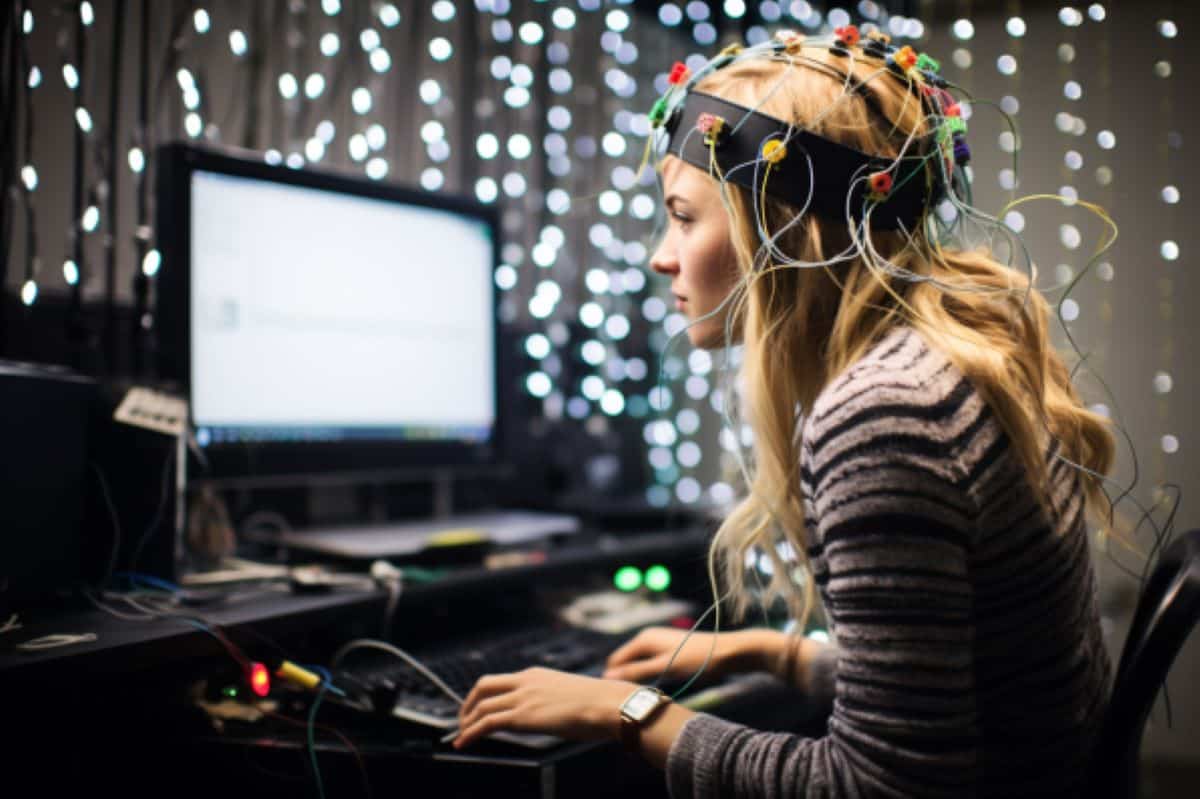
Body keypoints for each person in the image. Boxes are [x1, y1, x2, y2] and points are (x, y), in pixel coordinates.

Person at [453, 26, 1116, 798]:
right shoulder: (951, 359)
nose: (660, 256)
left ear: (787, 229)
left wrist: (628, 711)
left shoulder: (885, 413)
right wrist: (779, 652)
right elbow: (957, 677)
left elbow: (883, 784)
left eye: (684, 216)